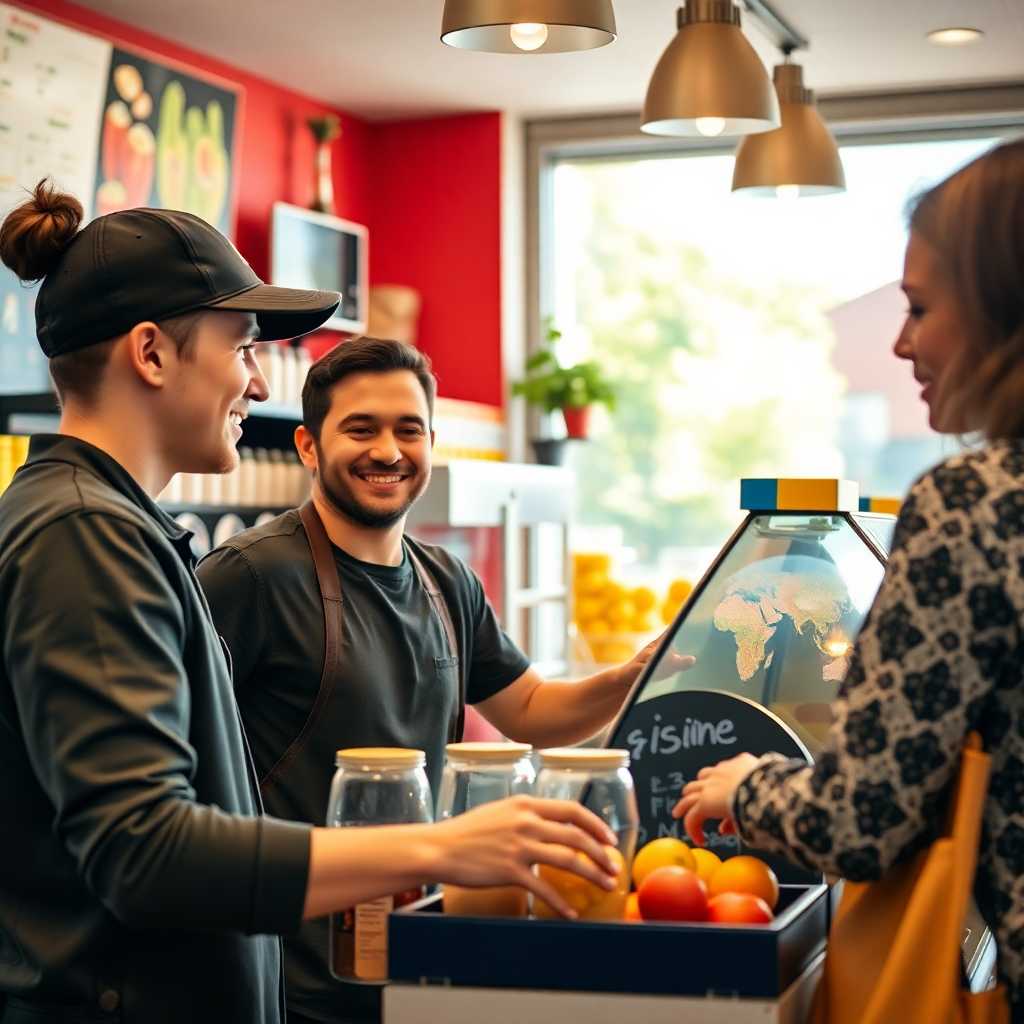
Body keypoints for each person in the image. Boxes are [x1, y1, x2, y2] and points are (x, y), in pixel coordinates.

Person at [0, 183, 622, 1024]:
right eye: (243, 347)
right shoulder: (85, 537)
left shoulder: (114, 527)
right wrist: (444, 844)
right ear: (151, 353)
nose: (256, 382)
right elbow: (144, 851)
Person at [196, 335, 683, 1023]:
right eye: (360, 429)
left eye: (409, 430)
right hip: (292, 977)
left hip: (419, 958)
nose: (389, 451)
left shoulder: (445, 580)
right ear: (308, 446)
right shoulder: (251, 577)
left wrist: (631, 676)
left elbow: (534, 710)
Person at [675, 138, 1024, 1017]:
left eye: (920, 307)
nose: (904, 342)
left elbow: (863, 816)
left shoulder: (970, 503)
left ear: (999, 308)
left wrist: (741, 787)